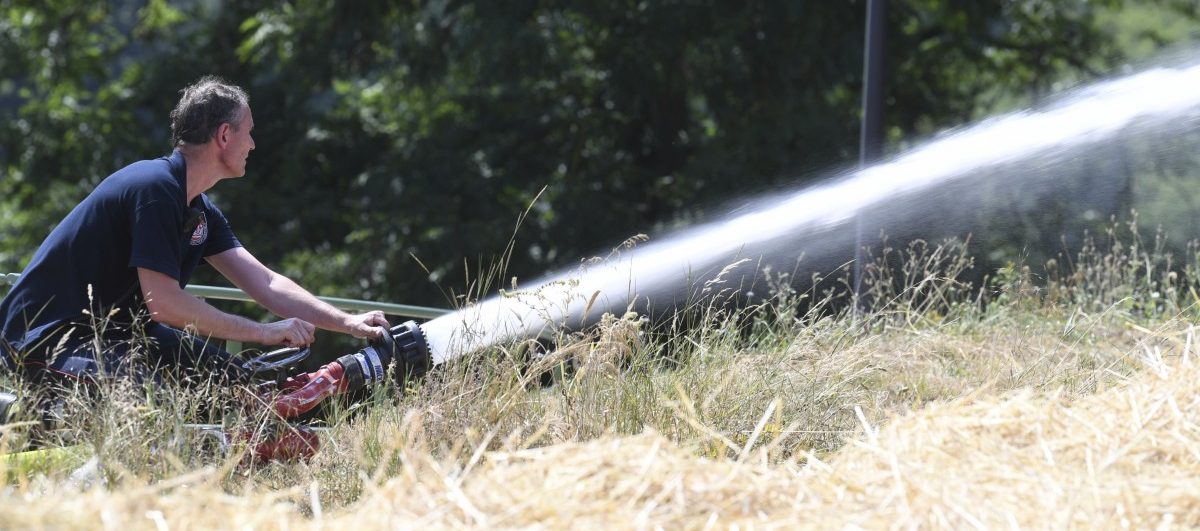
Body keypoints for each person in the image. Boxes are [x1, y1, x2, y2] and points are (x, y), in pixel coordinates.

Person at [0, 76, 389, 391]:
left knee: (243, 386)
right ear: (224, 135)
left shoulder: (197, 208)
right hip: (43, 341)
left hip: (116, 340)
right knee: (145, 399)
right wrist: (263, 332)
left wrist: (348, 323)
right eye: (248, 132)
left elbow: (268, 284)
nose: (253, 144)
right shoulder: (153, 190)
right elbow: (165, 305)